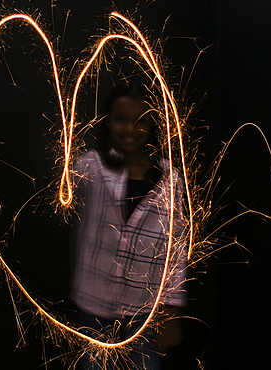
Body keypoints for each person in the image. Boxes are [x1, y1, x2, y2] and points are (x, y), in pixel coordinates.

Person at [69, 80, 187, 369]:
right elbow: (60, 183)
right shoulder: (91, 166)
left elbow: (178, 248)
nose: (130, 129)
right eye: (120, 119)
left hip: (143, 309)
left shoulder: (171, 180)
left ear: (152, 124)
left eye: (140, 120)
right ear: (107, 122)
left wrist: (172, 307)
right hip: (94, 302)